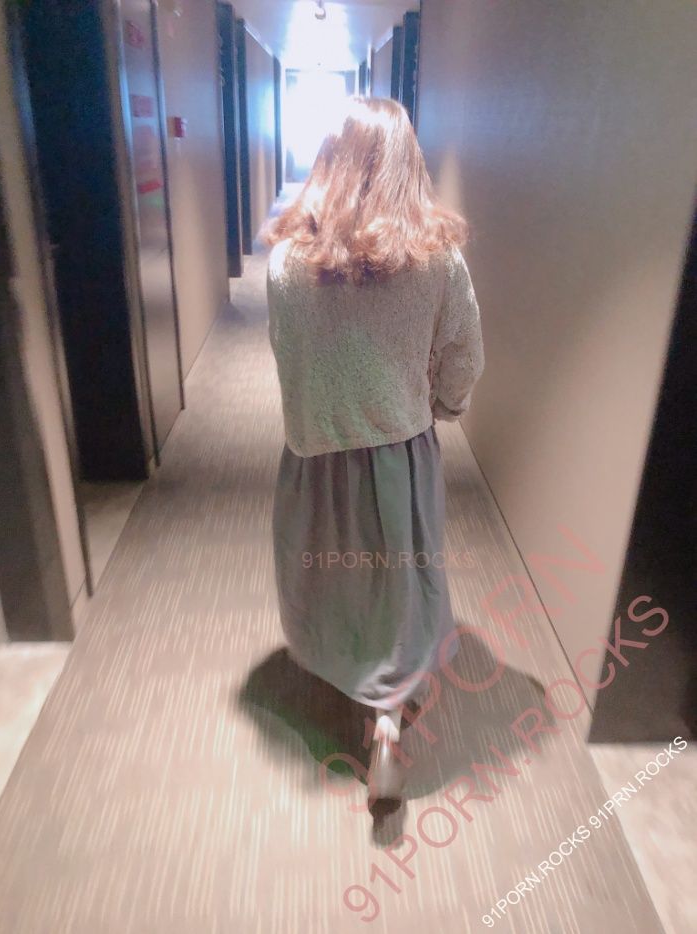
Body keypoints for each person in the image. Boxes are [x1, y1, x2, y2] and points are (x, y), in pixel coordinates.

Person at [261, 96, 484, 812]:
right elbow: (463, 355)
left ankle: (343, 667)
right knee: (400, 569)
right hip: (399, 451)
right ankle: (388, 716)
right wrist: (443, 406)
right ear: (406, 162)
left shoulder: (287, 262)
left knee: (329, 569)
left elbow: (288, 357)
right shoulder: (438, 262)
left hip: (315, 453)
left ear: (327, 160)